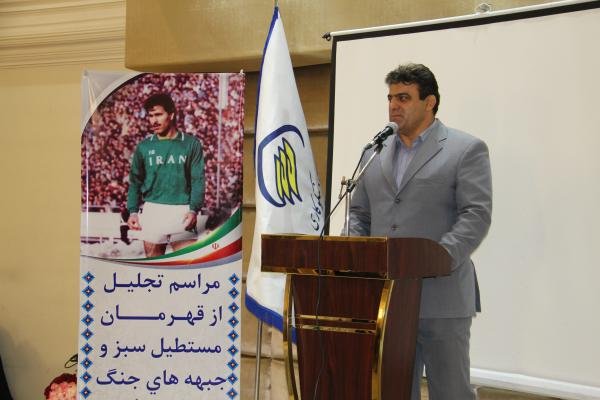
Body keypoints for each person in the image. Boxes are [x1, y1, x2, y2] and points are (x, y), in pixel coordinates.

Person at [349, 63, 492, 400]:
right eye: (390, 98)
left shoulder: (465, 149)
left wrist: (437, 258)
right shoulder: (374, 152)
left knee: (451, 393)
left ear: (430, 102)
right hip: (387, 300)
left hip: (441, 295)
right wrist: (357, 255)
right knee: (392, 392)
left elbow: (476, 215)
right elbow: (359, 213)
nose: (394, 106)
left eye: (403, 98)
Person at [127, 92, 205, 257]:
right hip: (153, 210)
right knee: (154, 266)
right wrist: (133, 211)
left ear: (171, 115)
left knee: (187, 265)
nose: (153, 121)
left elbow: (198, 180)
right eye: (150, 116)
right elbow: (135, 181)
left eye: (158, 115)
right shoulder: (144, 147)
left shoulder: (191, 144)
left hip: (182, 210)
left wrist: (194, 209)